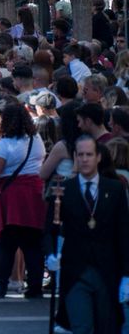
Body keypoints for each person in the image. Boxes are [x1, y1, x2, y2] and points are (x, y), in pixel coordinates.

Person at [46, 136, 129, 332]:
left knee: (106, 327)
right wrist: (50, 254)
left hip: (107, 271)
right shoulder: (63, 190)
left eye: (89, 154)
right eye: (80, 155)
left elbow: (123, 234)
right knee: (81, 326)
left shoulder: (115, 189)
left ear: (98, 157)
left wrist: (127, 275)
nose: (85, 159)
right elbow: (50, 230)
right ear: (75, 157)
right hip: (76, 271)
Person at [0, 100, 46, 298]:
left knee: (6, 244)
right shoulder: (36, 139)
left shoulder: (5, 144)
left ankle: (0, 286)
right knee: (33, 243)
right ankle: (35, 286)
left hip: (12, 197)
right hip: (35, 195)